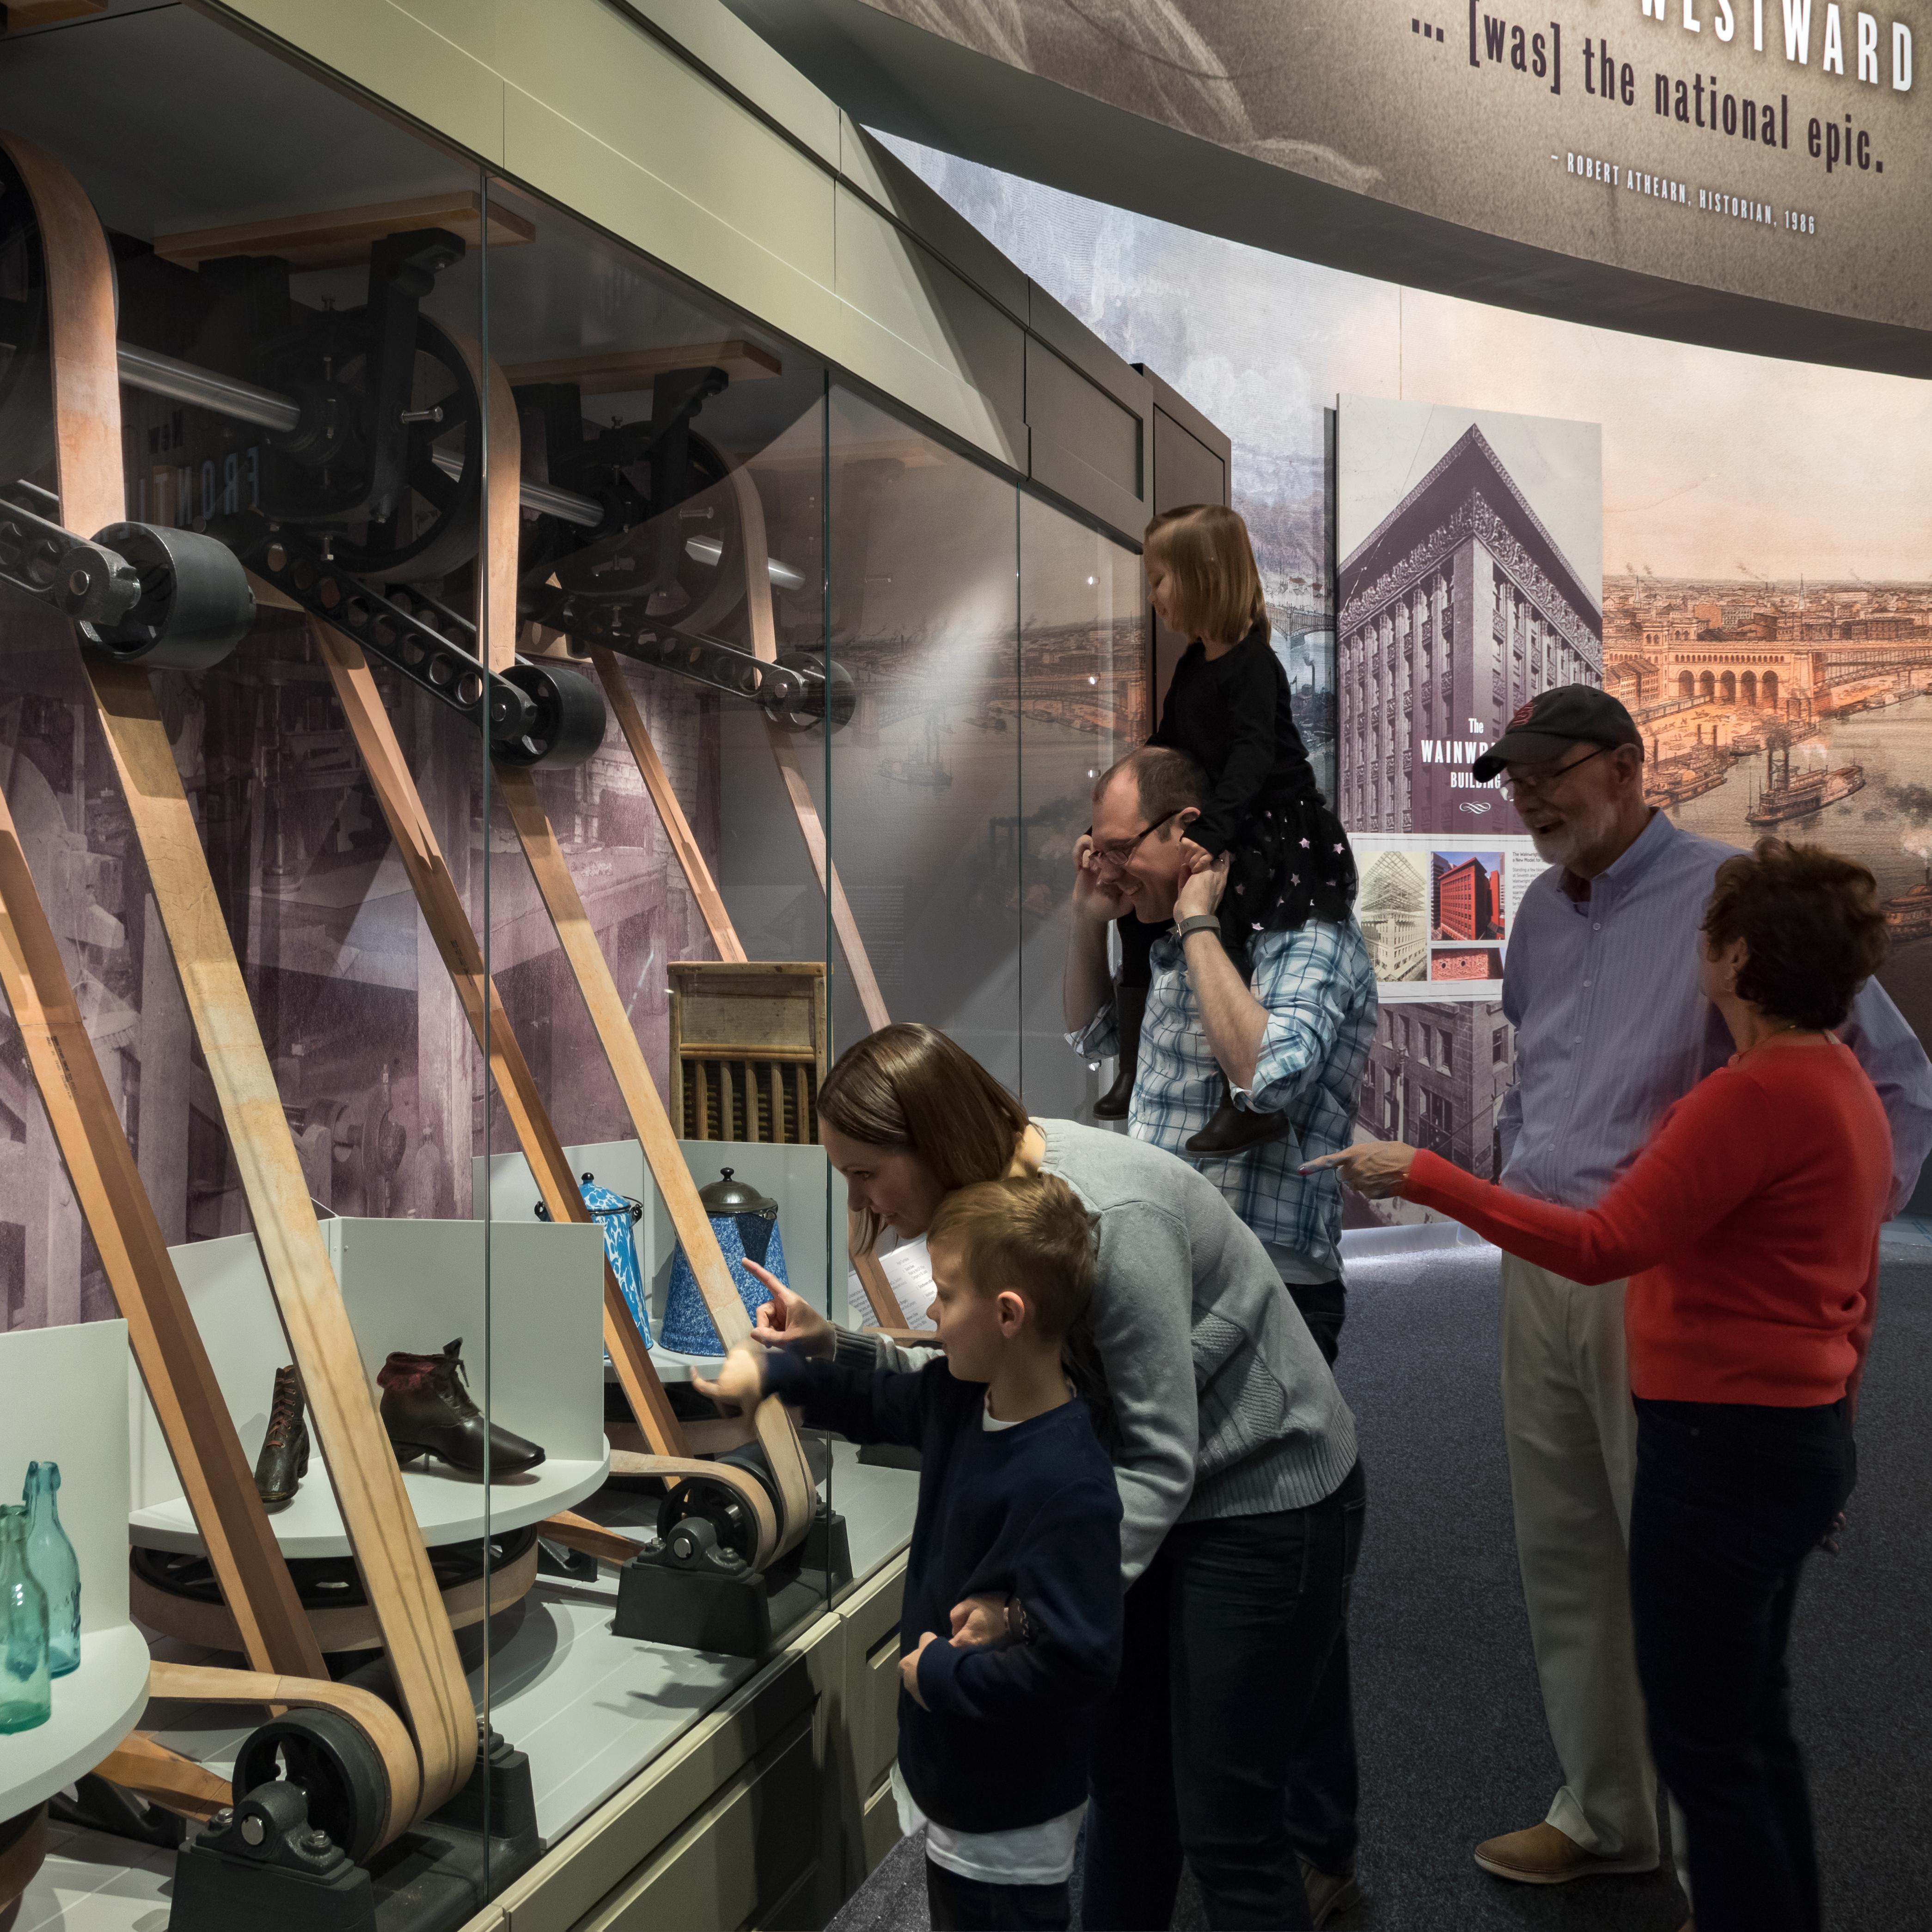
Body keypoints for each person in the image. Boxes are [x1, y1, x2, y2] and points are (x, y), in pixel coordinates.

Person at [1311, 838, 1893, 1932]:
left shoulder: (1750, 1098)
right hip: (1789, 1434)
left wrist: (1428, 1175)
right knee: (1748, 1723)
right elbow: (1850, 1286)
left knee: (1704, 1735)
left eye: (1708, 934)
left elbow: (1598, 1243)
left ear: (1736, 958)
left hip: (1719, 1441)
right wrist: (1835, 1439)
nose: (1694, 950)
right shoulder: (1838, 1083)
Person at [1434, 686, 1932, 1890]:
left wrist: (1799, 1266)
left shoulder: (1732, 901)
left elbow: (1891, 1088)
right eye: (1514, 776)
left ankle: (1726, 1883)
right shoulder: (1540, 916)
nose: (1529, 794)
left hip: (1661, 1277)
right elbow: (1535, 1066)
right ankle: (1607, 1814)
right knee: (1564, 1549)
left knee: (1679, 1581)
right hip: (1540, 1258)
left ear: (1624, 764)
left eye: (1551, 771)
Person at [752, 1021, 1363, 1929]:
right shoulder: (998, 1208)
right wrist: (834, 1347)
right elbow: (982, 1371)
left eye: (865, 1171)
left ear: (932, 1141)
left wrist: (1035, 1605)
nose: (863, 1206)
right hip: (1147, 1488)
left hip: (1258, 1491)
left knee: (1227, 1828)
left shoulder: (1107, 1214)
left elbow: (1159, 1457)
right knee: (1127, 1784)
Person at [702, 1174, 1120, 1932]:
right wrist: (772, 1374)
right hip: (954, 1770)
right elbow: (868, 1402)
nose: (930, 1312)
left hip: (1009, 1809)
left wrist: (943, 1673)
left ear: (1008, 1316)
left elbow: (1079, 1662)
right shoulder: (961, 1399)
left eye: (946, 1295)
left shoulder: (1070, 1482)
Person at [1099, 504, 1357, 1156]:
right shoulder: (1192, 665)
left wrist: (1212, 834)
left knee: (1230, 932)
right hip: (1228, 822)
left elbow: (1252, 760)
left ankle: (1242, 1102)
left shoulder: (1253, 666)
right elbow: (1166, 749)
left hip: (1270, 830)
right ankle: (1131, 1065)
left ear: (1203, 577)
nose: (1151, 595)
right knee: (1134, 919)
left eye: (1160, 579)